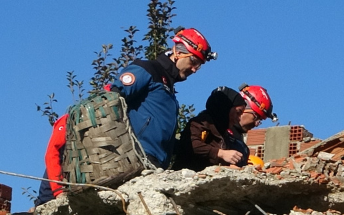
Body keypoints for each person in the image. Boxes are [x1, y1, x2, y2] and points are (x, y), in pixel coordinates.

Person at [34, 28, 214, 204]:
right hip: (136, 160)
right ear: (178, 51)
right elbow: (110, 98)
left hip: (155, 167)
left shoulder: (169, 91)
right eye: (193, 61)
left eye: (200, 64)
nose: (195, 69)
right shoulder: (148, 70)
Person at [175, 84, 275, 172]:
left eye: (260, 120)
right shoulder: (204, 122)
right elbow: (190, 144)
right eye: (256, 117)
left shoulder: (235, 142)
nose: (257, 123)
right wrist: (220, 153)